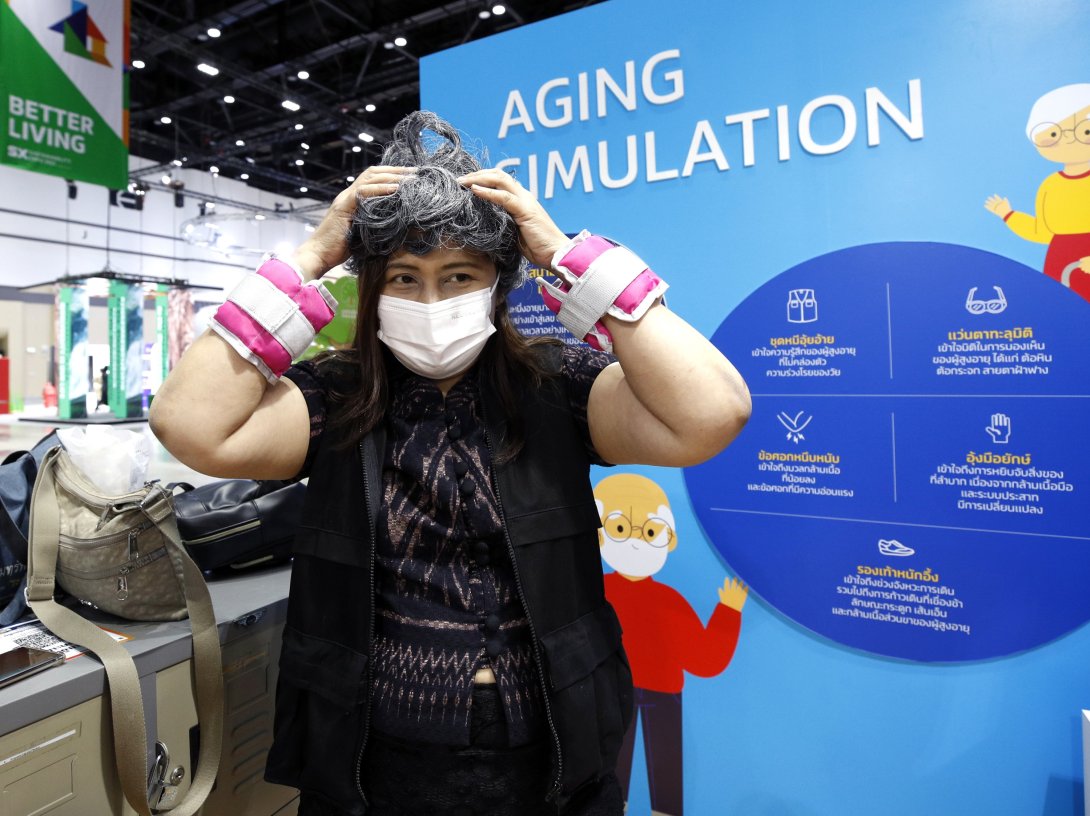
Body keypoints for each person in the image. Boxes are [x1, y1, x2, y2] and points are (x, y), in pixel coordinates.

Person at [150, 111, 751, 816]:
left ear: (497, 284)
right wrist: (311, 256)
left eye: (458, 275)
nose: (430, 300)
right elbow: (188, 425)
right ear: (375, 291)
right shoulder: (336, 399)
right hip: (374, 767)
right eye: (404, 277)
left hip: (553, 759)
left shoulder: (558, 389)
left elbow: (715, 412)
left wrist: (565, 254)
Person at [985, 83, 1090, 301]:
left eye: (1085, 130)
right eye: (1054, 133)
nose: (1069, 139)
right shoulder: (1050, 185)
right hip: (1060, 263)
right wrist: (1008, 215)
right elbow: (1041, 231)